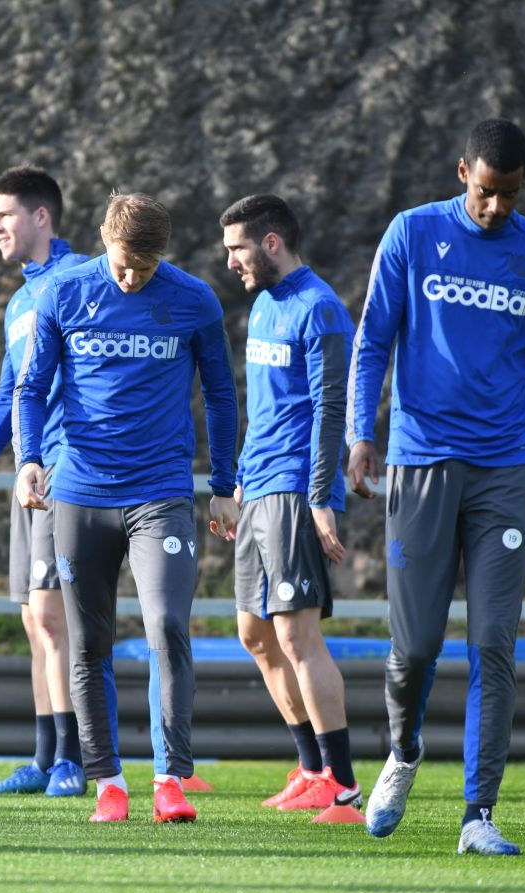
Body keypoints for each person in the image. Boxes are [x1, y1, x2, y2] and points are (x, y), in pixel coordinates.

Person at [346, 118, 525, 855]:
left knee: (494, 641)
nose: (496, 208)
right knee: (417, 646)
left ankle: (478, 815)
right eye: (487, 192)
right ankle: (402, 752)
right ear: (465, 172)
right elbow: (373, 340)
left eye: (512, 195)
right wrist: (360, 434)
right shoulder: (411, 232)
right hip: (421, 462)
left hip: (506, 470)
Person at [14, 192, 238, 824]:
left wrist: (223, 482)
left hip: (161, 492)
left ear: (162, 255)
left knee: (167, 625)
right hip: (81, 495)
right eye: (122, 264)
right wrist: (30, 456)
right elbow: (32, 387)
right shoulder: (64, 293)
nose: (131, 277)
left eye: (144, 266)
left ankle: (170, 778)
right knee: (89, 644)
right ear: (103, 240)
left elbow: (220, 395)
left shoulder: (193, 299)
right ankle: (109, 782)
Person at [0, 166, 91, 797]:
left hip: (69, 470)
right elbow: (9, 397)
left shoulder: (84, 279)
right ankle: (42, 757)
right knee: (35, 621)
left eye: (4, 215)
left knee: (55, 620)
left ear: (41, 216)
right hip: (27, 477)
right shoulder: (19, 301)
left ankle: (75, 760)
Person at [219, 193, 360, 810]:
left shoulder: (321, 310)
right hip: (259, 489)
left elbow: (333, 410)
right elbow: (265, 408)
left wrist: (321, 496)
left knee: (298, 636)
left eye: (237, 249)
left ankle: (344, 781)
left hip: (295, 490)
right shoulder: (263, 310)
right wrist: (240, 481)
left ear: (271, 242)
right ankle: (309, 768)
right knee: (254, 633)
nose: (231, 264)